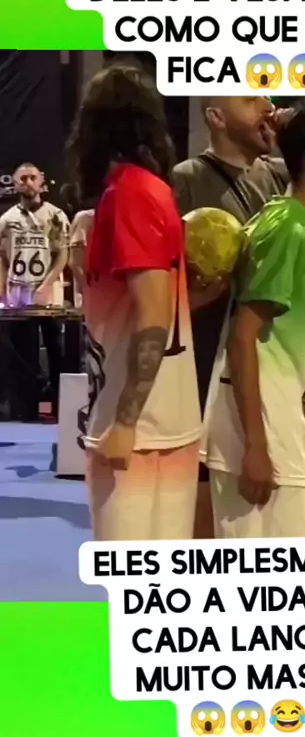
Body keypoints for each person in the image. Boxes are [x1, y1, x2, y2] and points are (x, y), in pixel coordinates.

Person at [205, 100, 305, 538]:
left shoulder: (291, 221)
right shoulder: (287, 230)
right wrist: (256, 448)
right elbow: (243, 338)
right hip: (263, 435)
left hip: (276, 428)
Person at [67, 64, 202, 540]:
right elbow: (163, 303)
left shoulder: (128, 195)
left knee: (127, 575)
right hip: (167, 421)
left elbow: (153, 316)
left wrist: (125, 422)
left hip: (140, 430)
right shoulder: (155, 191)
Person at [172, 96, 289, 538]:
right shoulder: (186, 179)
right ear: (216, 117)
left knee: (268, 514)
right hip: (207, 366)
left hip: (274, 364)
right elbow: (165, 284)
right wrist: (205, 292)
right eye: (250, 98)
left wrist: (296, 134)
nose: (268, 105)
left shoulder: (280, 174)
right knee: (206, 505)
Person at [0, 162, 69, 420]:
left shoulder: (56, 216)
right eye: (23, 178)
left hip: (49, 296)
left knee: (57, 352)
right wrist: (3, 287)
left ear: (41, 181)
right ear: (15, 184)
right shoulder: (7, 220)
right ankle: (26, 412)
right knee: (24, 355)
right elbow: (2, 257)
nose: (28, 182)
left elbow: (63, 254)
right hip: (19, 295)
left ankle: (64, 409)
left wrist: (47, 284)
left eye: (32, 177)